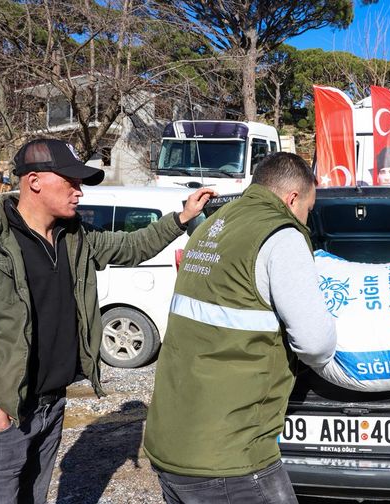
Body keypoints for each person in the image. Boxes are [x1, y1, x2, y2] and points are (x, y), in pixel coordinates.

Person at [0, 138, 214, 504]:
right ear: (34, 181)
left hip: (51, 406)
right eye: (71, 181)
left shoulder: (74, 236)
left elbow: (131, 247)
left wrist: (182, 218)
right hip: (1, 412)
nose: (79, 192)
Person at [143, 152, 337, 504]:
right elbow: (316, 343)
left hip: (173, 441)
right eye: (309, 209)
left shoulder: (214, 226)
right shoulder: (281, 235)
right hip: (230, 457)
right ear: (292, 198)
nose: (307, 220)